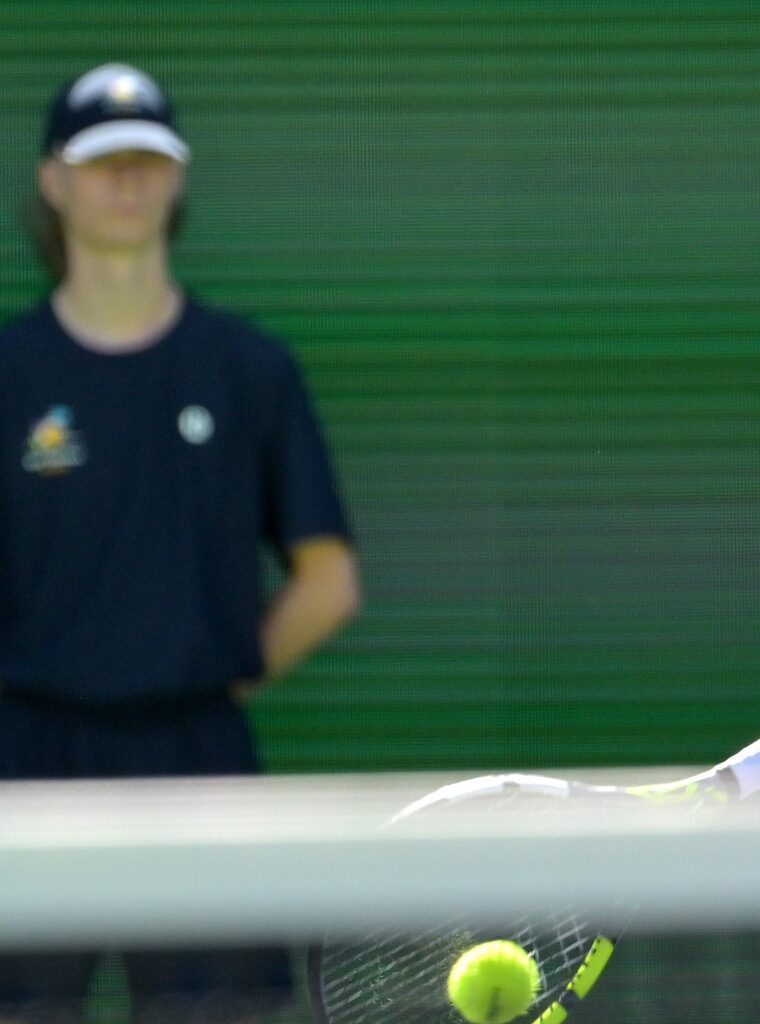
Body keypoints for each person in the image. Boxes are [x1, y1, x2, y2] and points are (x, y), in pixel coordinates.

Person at [0, 63, 360, 1024]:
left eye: (147, 162)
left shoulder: (248, 370)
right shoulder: (7, 374)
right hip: (26, 767)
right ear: (53, 180)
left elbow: (327, 580)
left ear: (177, 179)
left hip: (200, 758)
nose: (127, 182)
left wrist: (208, 674)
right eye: (103, 161)